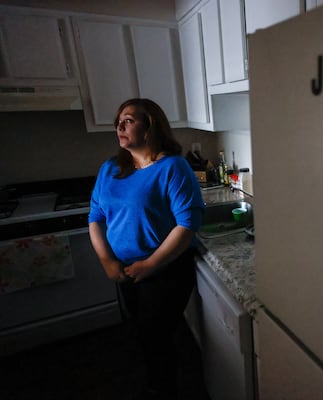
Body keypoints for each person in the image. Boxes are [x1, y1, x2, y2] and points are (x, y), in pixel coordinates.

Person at [88, 98, 205, 399]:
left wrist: (150, 264)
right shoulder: (110, 169)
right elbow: (95, 218)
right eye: (118, 121)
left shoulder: (172, 167)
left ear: (150, 124)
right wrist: (106, 261)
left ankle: (165, 390)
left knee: (156, 336)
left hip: (165, 269)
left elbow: (187, 224)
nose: (119, 126)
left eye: (128, 120)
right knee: (144, 333)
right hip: (124, 269)